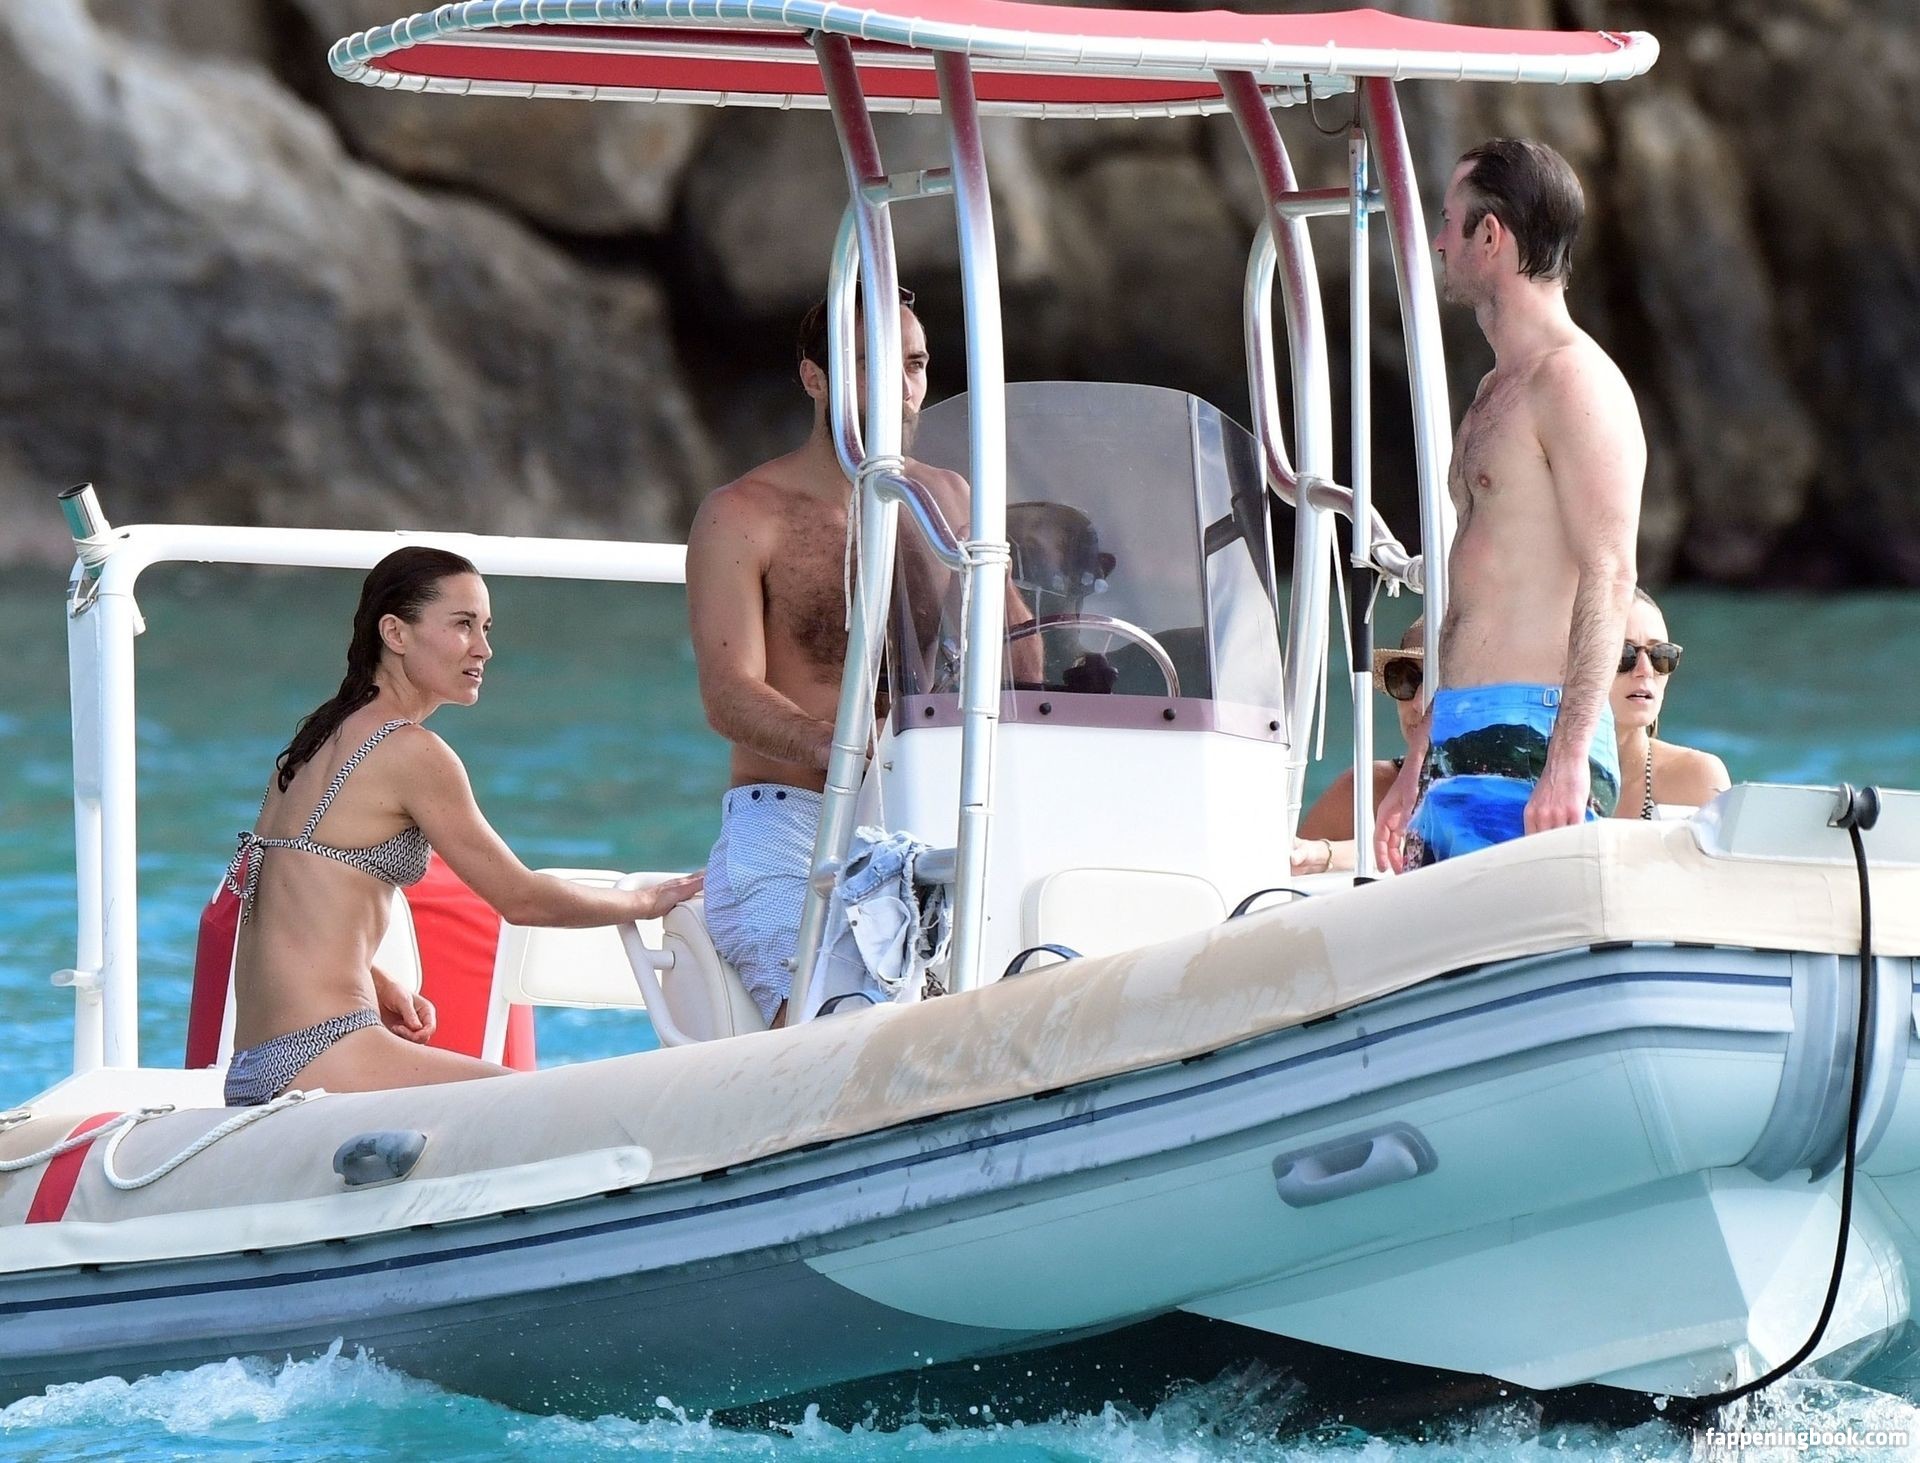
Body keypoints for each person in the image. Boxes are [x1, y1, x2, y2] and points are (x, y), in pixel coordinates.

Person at [222, 547, 700, 1106]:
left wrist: (378, 982)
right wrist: (645, 902)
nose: (483, 648)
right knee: (549, 1106)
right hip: (326, 1052)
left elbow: (295, 902)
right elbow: (522, 899)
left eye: (486, 628)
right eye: (462, 624)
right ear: (396, 633)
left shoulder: (311, 745)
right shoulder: (412, 752)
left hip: (255, 1064)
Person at [686, 293, 959, 1029]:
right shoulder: (743, 513)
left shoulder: (947, 500)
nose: (902, 388)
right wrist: (845, 751)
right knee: (829, 1029)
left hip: (923, 813)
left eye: (914, 365)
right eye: (873, 365)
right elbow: (728, 693)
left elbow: (1017, 654)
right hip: (791, 826)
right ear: (815, 377)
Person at [1375, 137, 1646, 871]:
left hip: (1532, 735)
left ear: (1489, 235)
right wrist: (1419, 759)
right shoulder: (1496, 390)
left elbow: (1611, 573)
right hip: (1462, 733)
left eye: (1448, 220)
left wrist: (1568, 758)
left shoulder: (1574, 382)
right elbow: (1479, 590)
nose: (1438, 241)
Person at [1292, 618, 1424, 874]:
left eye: (1439, 683)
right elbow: (1292, 873)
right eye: (1406, 680)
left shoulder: (1506, 786)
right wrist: (1315, 855)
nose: (1418, 703)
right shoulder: (1364, 787)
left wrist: (1325, 854)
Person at [1609, 587, 1731, 818]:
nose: (1645, 670)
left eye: (1661, 655)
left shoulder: (1697, 779)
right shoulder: (1538, 771)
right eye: (1623, 654)